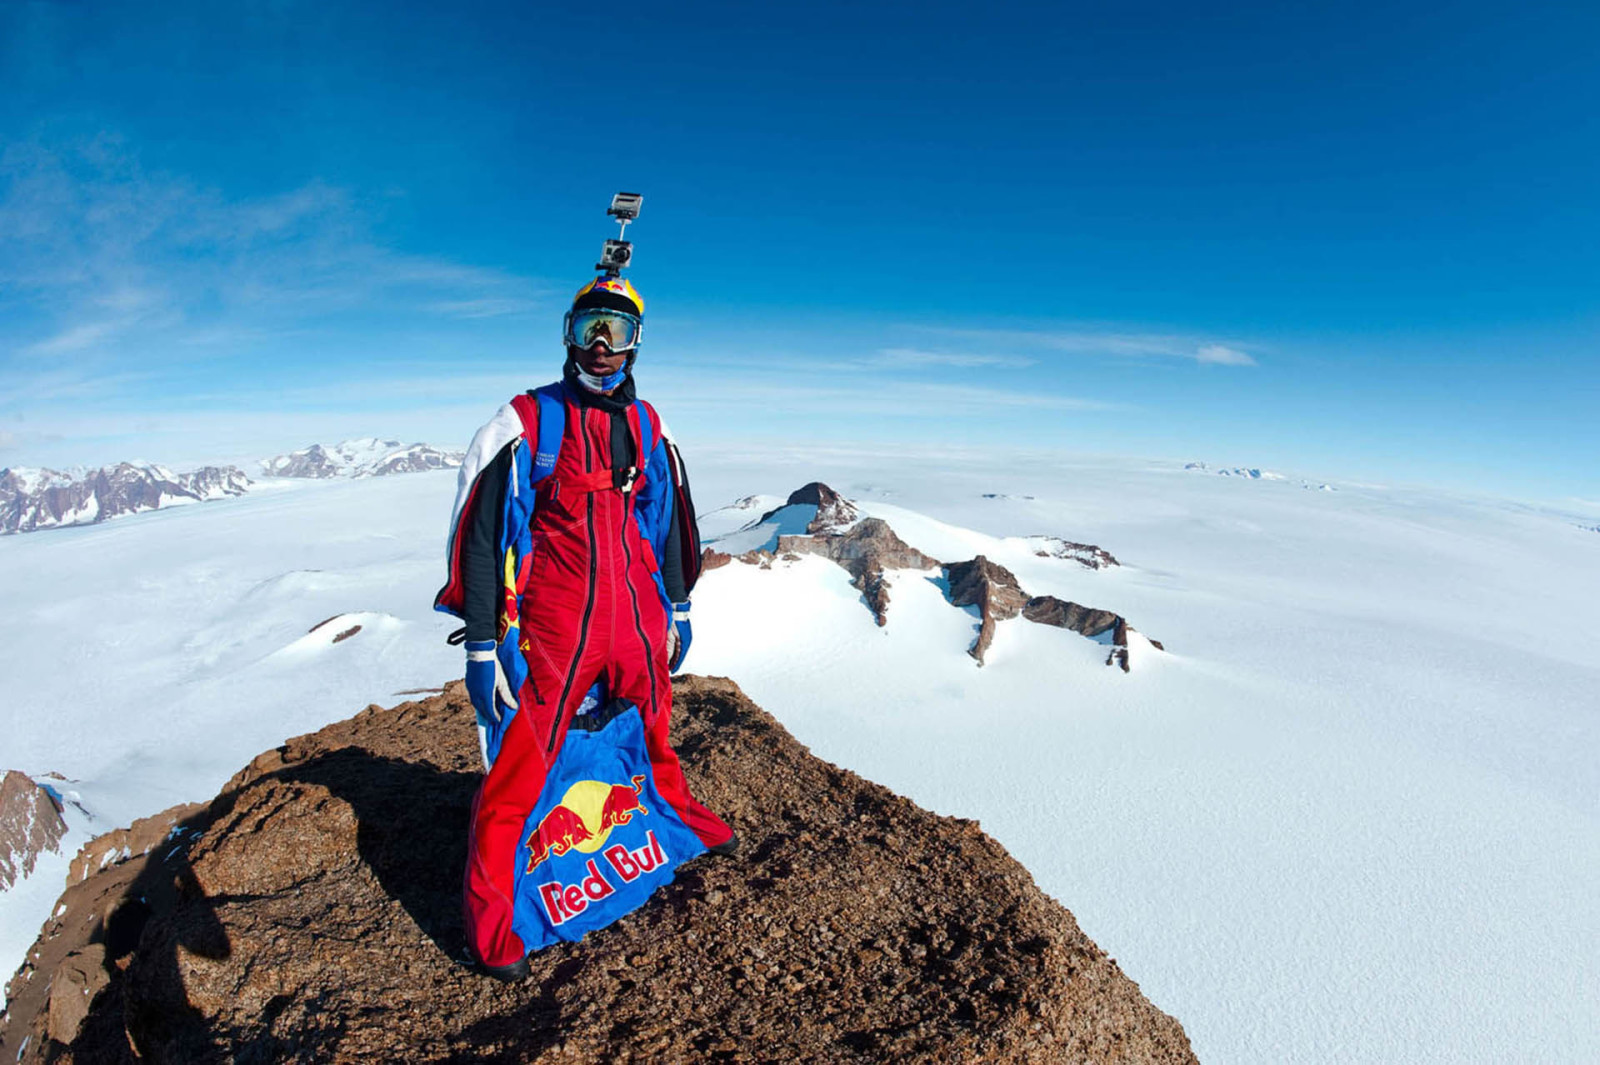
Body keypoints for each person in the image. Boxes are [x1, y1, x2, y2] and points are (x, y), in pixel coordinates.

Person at [436, 276, 736, 980]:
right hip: (555, 622)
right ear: (567, 332)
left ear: (638, 342)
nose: (602, 347)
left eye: (618, 331)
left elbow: (668, 520)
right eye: (589, 328)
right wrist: (483, 642)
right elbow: (481, 536)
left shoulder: (648, 426)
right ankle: (495, 920)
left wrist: (678, 604)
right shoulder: (526, 422)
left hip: (634, 612)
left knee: (654, 726)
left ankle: (679, 819)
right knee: (522, 757)